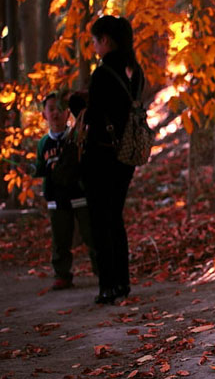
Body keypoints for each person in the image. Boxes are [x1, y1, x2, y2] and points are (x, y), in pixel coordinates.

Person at [69, 15, 144, 304]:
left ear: (106, 40)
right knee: (116, 219)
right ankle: (122, 284)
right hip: (127, 154)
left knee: (101, 220)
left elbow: (95, 120)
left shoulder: (102, 73)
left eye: (95, 41)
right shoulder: (135, 70)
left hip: (101, 155)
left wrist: (77, 105)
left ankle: (108, 286)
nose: (94, 46)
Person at [36, 92, 99, 289]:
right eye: (51, 109)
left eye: (60, 109)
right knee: (60, 238)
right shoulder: (43, 143)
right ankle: (62, 274)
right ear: (44, 115)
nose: (56, 113)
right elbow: (40, 169)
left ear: (68, 114)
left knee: (92, 234)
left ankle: (102, 269)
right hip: (56, 199)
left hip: (79, 195)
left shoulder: (77, 137)